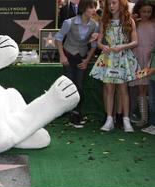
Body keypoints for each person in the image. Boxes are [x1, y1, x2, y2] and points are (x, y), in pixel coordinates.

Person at [89, 0, 140, 132]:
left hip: (123, 58)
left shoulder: (129, 21)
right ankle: (109, 119)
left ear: (121, 4)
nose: (111, 6)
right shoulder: (104, 22)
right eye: (109, 4)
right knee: (108, 89)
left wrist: (123, 46)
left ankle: (126, 120)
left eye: (114, 3)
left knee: (123, 90)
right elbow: (99, 41)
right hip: (108, 58)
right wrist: (103, 46)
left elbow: (135, 42)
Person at [55, 0, 98, 128]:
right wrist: (62, 56)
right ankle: (72, 115)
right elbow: (58, 39)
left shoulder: (95, 25)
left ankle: (77, 112)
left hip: (82, 58)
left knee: (79, 86)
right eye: (91, 7)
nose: (94, 10)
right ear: (84, 8)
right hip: (68, 56)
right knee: (69, 85)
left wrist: (87, 60)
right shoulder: (69, 22)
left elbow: (94, 45)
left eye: (94, 7)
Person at [129, 0, 155, 127]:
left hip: (149, 61)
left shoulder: (153, 24)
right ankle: (140, 117)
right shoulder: (135, 24)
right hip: (137, 58)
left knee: (144, 88)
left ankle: (144, 118)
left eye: (149, 11)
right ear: (138, 10)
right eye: (144, 11)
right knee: (138, 88)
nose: (146, 14)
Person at [142, 46, 155, 134]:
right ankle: (153, 125)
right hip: (152, 78)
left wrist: (147, 71)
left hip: (152, 74)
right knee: (152, 102)